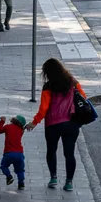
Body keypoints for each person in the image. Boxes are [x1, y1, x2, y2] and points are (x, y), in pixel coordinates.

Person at [30, 58, 88, 190]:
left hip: (52, 125)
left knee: (51, 151)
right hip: (71, 123)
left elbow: (43, 109)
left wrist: (34, 122)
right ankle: (69, 182)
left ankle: (53, 177)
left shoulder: (48, 87)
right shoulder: (73, 83)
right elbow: (84, 98)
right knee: (69, 154)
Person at [0, 114, 28, 190]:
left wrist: (2, 121)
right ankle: (21, 184)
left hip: (9, 153)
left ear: (13, 120)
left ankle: (9, 177)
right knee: (20, 170)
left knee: (3, 166)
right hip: (19, 154)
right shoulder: (21, 130)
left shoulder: (8, 127)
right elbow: (21, 131)